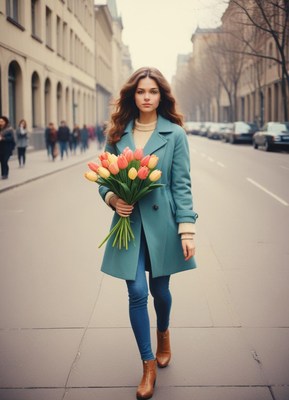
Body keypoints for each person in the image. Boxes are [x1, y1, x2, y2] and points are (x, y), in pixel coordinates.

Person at [98, 67, 198, 400]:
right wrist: (113, 198)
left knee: (160, 290)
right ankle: (147, 365)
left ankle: (164, 331)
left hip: (162, 224)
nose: (146, 97)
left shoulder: (175, 135)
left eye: (152, 92)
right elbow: (103, 178)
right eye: (141, 91)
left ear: (161, 96)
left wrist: (187, 230)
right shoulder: (117, 134)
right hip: (129, 224)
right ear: (132, 95)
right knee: (137, 292)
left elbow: (182, 184)